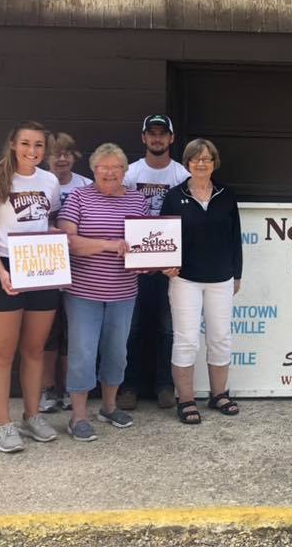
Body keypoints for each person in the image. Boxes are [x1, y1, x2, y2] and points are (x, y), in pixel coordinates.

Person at [0, 120, 62, 453]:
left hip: (39, 266)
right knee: (2, 352)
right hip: (3, 267)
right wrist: (1, 271)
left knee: (35, 349)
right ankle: (3, 425)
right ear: (13, 144)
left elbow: (47, 220)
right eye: (25, 143)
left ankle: (32, 414)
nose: (32, 151)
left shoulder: (49, 181)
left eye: (38, 145)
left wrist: (53, 239)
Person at [57, 143, 153, 441]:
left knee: (116, 352)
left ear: (125, 171)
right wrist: (110, 244)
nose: (109, 172)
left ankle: (109, 407)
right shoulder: (79, 197)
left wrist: (146, 263)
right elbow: (68, 241)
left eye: (116, 167)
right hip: (83, 292)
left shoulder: (138, 201)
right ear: (93, 170)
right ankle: (79, 416)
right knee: (83, 352)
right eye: (103, 167)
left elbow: (149, 244)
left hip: (124, 291)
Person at [161, 138, 243, 424]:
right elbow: (163, 237)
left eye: (206, 159)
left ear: (214, 162)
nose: (201, 163)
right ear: (187, 163)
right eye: (195, 159)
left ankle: (219, 394)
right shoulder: (174, 196)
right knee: (186, 340)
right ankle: (185, 399)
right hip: (186, 280)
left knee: (220, 337)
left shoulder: (226, 195)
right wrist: (165, 265)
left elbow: (236, 238)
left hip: (221, 278)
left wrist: (238, 274)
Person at [119, 115, 190, 410]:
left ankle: (164, 384)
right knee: (130, 327)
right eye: (153, 133)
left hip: (169, 264)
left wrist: (179, 260)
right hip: (134, 263)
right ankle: (129, 385)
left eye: (163, 134)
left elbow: (191, 221)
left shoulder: (182, 175)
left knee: (166, 327)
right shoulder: (130, 173)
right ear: (144, 138)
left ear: (172, 138)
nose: (158, 139)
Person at [40, 132, 92, 414]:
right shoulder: (37, 183)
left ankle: (73, 388)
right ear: (46, 157)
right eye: (56, 153)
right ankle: (48, 390)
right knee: (48, 333)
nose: (61, 158)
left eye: (67, 153)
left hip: (80, 269)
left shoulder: (86, 185)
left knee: (75, 334)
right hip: (44, 268)